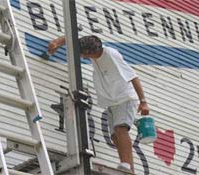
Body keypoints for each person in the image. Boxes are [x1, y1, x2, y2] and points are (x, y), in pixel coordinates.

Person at [47, 35, 149, 173]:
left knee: (120, 130)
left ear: (90, 52)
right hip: (112, 101)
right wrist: (57, 42)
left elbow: (133, 76)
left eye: (83, 53)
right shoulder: (93, 50)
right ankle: (128, 168)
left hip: (124, 98)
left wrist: (143, 102)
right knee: (114, 136)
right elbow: (72, 34)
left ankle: (127, 166)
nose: (82, 56)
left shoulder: (111, 56)